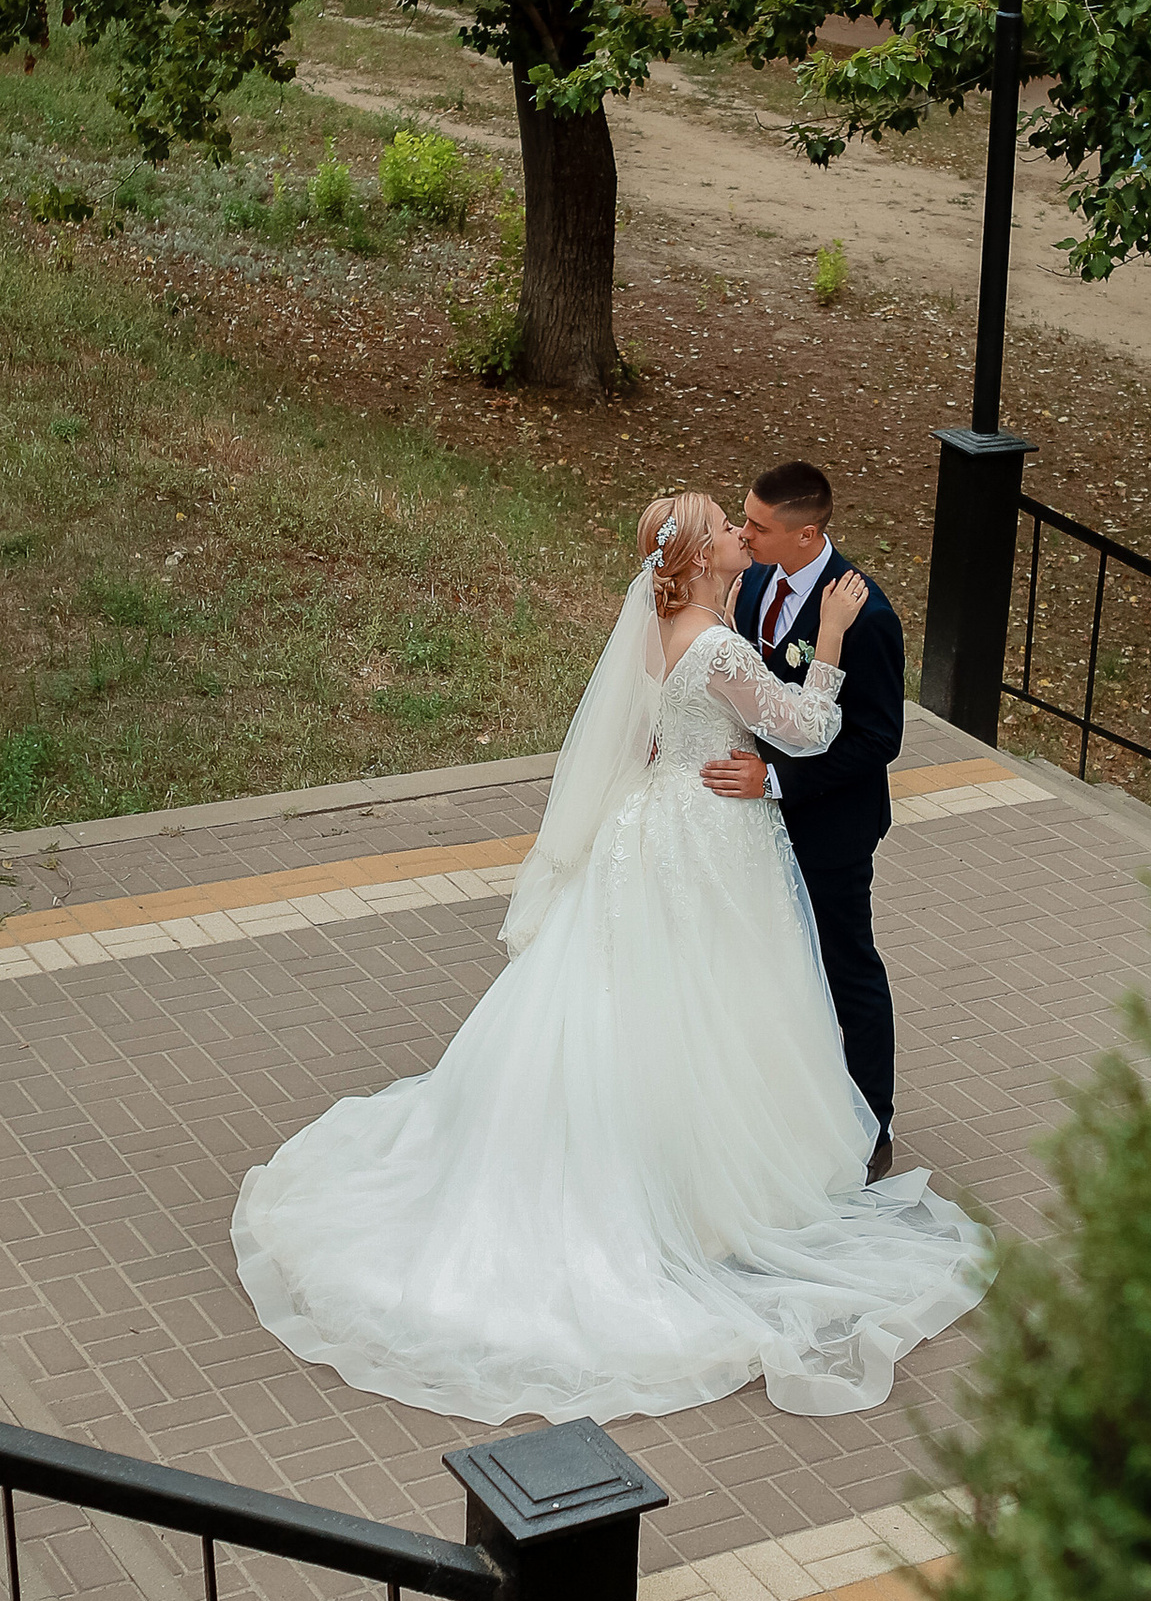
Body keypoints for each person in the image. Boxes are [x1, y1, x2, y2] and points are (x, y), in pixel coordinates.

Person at [231, 493, 989, 1424]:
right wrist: (829, 635)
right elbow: (805, 729)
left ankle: (652, 1154)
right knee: (711, 1002)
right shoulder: (713, 643)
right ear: (704, 555)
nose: (737, 534)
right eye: (724, 526)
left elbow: (644, 736)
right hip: (709, 836)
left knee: (647, 1003)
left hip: (657, 824)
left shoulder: (667, 626)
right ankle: (694, 1190)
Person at [704, 462, 905, 1178]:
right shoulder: (754, 580)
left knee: (846, 965)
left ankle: (871, 1122)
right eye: (744, 520)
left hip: (829, 825)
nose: (745, 532)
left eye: (758, 525)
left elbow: (880, 738)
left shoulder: (866, 615)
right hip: (753, 818)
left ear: (807, 533)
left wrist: (780, 781)